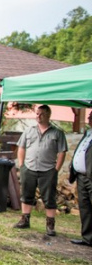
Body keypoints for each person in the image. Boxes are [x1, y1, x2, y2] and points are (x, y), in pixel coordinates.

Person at [13, 105, 67, 236]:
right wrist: (22, 164)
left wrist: (56, 169)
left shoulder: (57, 133)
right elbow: (21, 147)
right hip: (29, 168)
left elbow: (62, 152)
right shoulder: (29, 130)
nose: (38, 116)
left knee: (49, 197)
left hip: (48, 169)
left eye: (41, 114)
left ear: (48, 115)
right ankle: (25, 219)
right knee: (26, 194)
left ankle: (50, 225)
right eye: (37, 114)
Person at [70, 111, 92, 246]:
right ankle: (88, 238)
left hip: (90, 176)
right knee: (85, 207)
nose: (88, 118)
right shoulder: (88, 133)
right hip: (81, 176)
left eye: (91, 116)